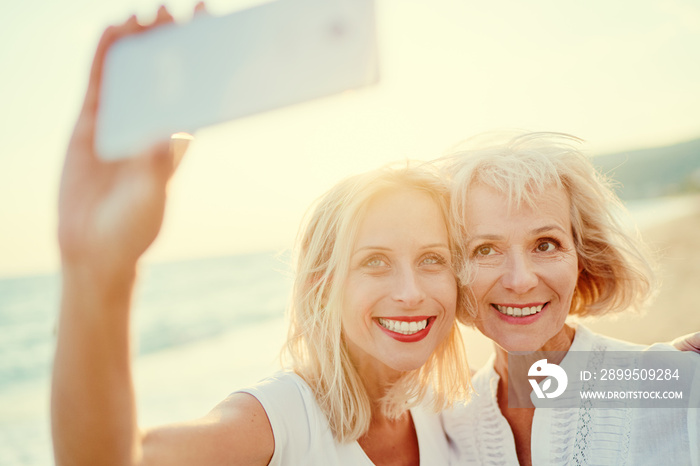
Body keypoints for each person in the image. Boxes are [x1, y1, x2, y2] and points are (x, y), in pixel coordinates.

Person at [50, 7, 472, 466]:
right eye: (374, 261)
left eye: (432, 259)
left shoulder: (444, 412)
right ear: (322, 285)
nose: (411, 293)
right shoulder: (282, 418)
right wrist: (94, 271)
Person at [439, 131, 700, 465]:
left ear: (582, 259)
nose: (521, 281)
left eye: (546, 244)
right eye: (485, 249)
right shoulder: (449, 424)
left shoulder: (678, 389)